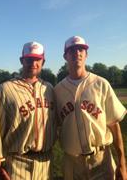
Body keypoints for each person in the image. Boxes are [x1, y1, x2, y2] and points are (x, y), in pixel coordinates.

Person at [54, 35, 127, 180]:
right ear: (65, 56)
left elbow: (114, 125)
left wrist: (122, 162)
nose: (77, 53)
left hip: (101, 159)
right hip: (72, 162)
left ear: (86, 54)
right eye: (72, 50)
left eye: (81, 49)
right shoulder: (57, 91)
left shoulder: (101, 84)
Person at [0, 41, 56, 180]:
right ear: (22, 61)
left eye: (37, 59)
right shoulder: (4, 90)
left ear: (43, 61)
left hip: (46, 163)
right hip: (16, 164)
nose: (33, 63)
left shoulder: (49, 89)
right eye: (29, 59)